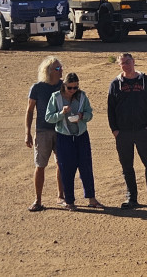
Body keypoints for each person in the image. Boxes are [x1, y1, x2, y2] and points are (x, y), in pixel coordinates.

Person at [107, 53, 147, 209]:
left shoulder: (145, 80)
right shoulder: (115, 84)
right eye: (122, 63)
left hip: (143, 131)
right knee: (127, 166)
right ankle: (131, 198)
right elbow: (110, 109)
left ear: (134, 62)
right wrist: (115, 130)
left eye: (128, 62)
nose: (126, 65)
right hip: (123, 133)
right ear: (119, 65)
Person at [45, 73, 103, 211]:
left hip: (81, 135)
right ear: (64, 85)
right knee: (66, 169)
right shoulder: (56, 97)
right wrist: (61, 114)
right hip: (64, 137)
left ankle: (91, 198)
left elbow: (90, 113)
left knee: (86, 167)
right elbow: (48, 117)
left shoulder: (82, 96)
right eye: (70, 87)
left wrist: (82, 116)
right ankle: (69, 200)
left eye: (75, 87)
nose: (72, 90)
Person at [25, 56, 65, 212]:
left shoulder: (64, 86)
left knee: (61, 163)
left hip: (61, 130)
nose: (61, 70)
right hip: (42, 131)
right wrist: (27, 132)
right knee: (40, 165)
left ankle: (61, 196)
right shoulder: (37, 88)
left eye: (61, 67)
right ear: (49, 71)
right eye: (58, 68)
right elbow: (29, 111)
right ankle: (38, 200)